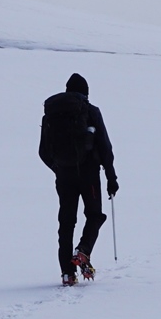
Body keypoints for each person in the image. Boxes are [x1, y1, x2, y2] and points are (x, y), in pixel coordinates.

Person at [38, 72, 119, 285]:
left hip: (63, 175)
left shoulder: (50, 116)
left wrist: (58, 168)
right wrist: (111, 178)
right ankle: (83, 251)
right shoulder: (91, 111)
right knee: (94, 215)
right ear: (86, 92)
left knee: (66, 223)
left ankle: (67, 274)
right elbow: (105, 147)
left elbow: (43, 151)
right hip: (89, 172)